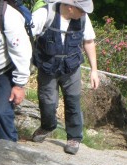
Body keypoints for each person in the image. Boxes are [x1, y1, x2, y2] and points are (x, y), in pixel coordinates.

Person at [30, 0, 99, 155]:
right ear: (70, 7)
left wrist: (94, 70)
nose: (84, 13)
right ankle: (47, 126)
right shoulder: (44, 14)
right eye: (82, 10)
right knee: (47, 102)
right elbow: (26, 35)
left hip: (71, 67)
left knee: (73, 101)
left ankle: (74, 137)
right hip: (47, 67)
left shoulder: (83, 18)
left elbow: (89, 42)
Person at [0, 0, 32, 142]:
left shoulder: (8, 16)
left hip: (4, 72)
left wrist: (19, 85)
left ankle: (8, 150)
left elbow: (22, 53)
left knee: (1, 111)